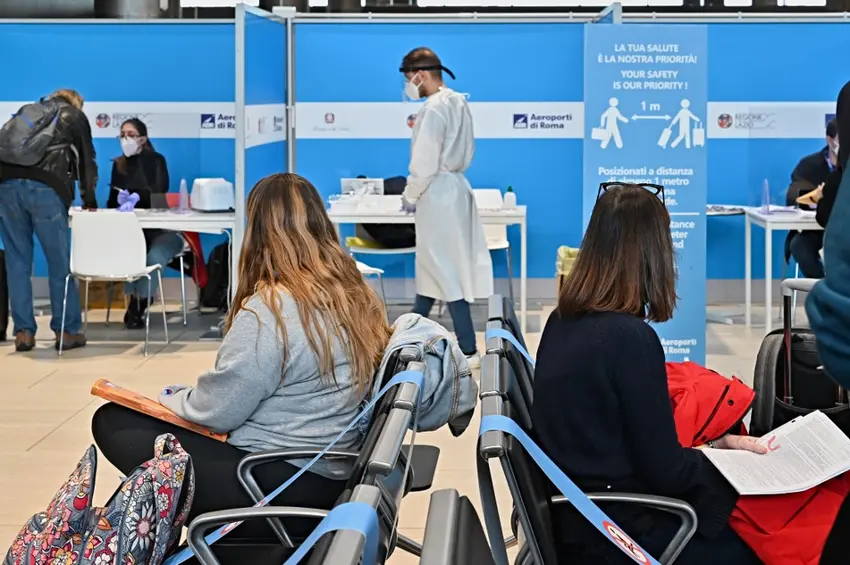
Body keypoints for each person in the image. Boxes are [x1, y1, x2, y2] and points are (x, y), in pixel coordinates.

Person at [91, 172, 392, 540]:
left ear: (258, 233)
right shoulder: (352, 295)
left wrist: (172, 397)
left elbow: (219, 411)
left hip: (277, 480)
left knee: (114, 423)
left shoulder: (272, 308)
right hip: (326, 471)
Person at [531, 183, 766, 564]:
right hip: (621, 530)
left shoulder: (561, 320)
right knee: (763, 545)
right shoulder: (629, 339)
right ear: (653, 255)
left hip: (580, 514)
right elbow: (667, 472)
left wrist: (715, 448)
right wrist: (728, 466)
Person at [399, 46, 493, 369]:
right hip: (454, 190)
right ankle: (407, 336)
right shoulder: (457, 102)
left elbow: (424, 162)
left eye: (409, 79)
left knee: (443, 269)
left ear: (420, 75)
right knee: (434, 269)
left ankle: (468, 347)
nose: (408, 86)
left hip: (437, 194)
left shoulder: (434, 109)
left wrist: (411, 193)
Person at [0, 88, 97, 352]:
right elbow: (87, 162)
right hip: (46, 188)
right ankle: (66, 331)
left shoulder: (28, 112)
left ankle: (23, 333)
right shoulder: (73, 116)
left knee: (17, 261)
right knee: (58, 263)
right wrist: (89, 200)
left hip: (7, 187)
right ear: (76, 103)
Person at [107, 118, 183, 329]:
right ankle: (136, 302)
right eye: (122, 134)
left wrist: (137, 197)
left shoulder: (156, 161)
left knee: (153, 257)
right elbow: (111, 203)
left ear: (143, 138)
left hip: (159, 231)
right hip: (132, 232)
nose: (126, 139)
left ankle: (140, 303)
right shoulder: (118, 164)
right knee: (132, 255)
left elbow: (158, 193)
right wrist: (120, 200)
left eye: (131, 134)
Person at [784, 117, 840, 278]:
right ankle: (823, 287)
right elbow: (794, 195)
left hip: (844, 227)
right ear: (829, 140)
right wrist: (818, 198)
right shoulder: (809, 165)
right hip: (816, 227)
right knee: (799, 245)